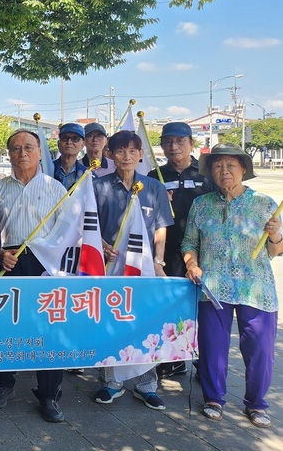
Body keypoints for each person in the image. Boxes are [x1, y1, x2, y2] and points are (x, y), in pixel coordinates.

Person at [181, 143, 282, 428]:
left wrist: (275, 235)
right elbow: (190, 242)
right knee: (212, 345)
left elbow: (275, 252)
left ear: (243, 170)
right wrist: (192, 264)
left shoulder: (264, 204)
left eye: (230, 166)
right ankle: (214, 398)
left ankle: (256, 403)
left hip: (256, 288)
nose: (223, 171)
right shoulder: (202, 204)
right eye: (217, 166)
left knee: (260, 348)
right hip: (213, 286)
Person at [0, 130, 68, 422]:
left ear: (39, 152)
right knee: (3, 325)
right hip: (6, 262)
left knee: (47, 329)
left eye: (29, 148)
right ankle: (2, 384)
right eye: (16, 148)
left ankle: (49, 394)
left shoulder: (56, 189)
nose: (22, 153)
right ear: (8, 153)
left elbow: (67, 234)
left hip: (44, 264)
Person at [92, 130, 173, 411]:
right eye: (120, 151)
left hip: (143, 271)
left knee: (144, 324)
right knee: (111, 323)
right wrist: (101, 245)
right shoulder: (99, 186)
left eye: (132, 151)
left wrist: (159, 262)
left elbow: (161, 226)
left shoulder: (153, 187)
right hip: (110, 268)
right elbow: (88, 226)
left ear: (141, 155)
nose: (126, 156)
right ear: (110, 155)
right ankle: (110, 382)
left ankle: (146, 384)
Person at [148, 122, 215, 378]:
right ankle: (172, 358)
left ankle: (203, 362)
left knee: (203, 308)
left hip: (202, 253)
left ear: (191, 143)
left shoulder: (207, 174)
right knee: (171, 306)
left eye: (180, 141)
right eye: (168, 141)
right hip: (167, 251)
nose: (173, 146)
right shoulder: (156, 176)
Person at [53, 122, 86, 190]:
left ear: (82, 145)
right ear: (58, 144)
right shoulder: (46, 169)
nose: (69, 142)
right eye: (65, 138)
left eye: (75, 139)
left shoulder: (87, 175)